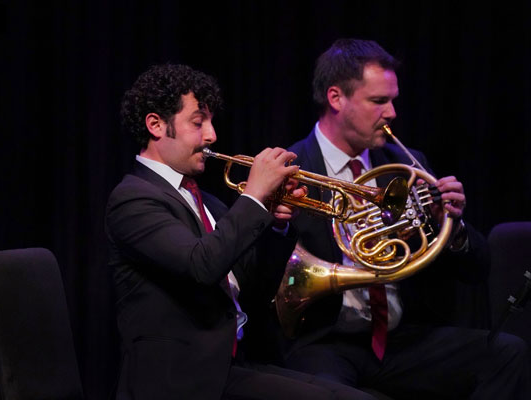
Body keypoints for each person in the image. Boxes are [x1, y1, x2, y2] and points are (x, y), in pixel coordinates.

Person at [105, 64, 375, 400]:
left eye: (211, 122)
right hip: (180, 381)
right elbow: (201, 266)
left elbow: (255, 288)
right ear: (156, 125)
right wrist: (254, 196)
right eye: (198, 122)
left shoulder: (207, 201)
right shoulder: (132, 198)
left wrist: (276, 225)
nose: (212, 135)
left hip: (231, 367)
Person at [281, 39, 531, 399]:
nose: (393, 112)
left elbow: (476, 268)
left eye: (393, 100)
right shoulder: (291, 170)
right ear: (336, 99)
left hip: (400, 338)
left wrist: (453, 226)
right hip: (324, 340)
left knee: (508, 352)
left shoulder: (407, 165)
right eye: (379, 101)